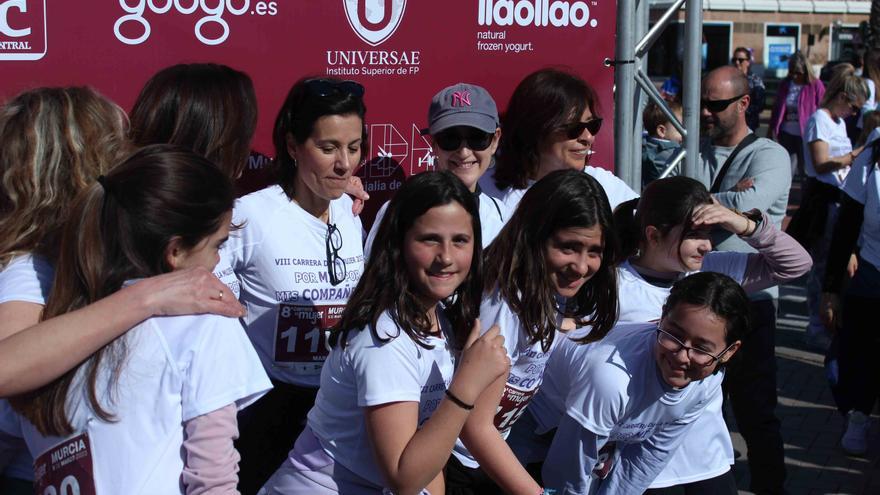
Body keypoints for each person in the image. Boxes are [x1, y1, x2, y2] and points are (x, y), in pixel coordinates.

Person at [0, 88, 243, 492]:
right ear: (81, 161)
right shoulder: (30, 268)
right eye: (117, 145)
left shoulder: (80, 262)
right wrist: (147, 298)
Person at [508, 176, 810, 493]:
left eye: (709, 233)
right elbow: (580, 368)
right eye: (694, 235)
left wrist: (743, 224)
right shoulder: (608, 283)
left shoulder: (711, 275)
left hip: (703, 455)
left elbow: (796, 265)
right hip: (640, 455)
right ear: (653, 235)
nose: (706, 244)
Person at [259, 171, 510, 494]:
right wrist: (466, 386)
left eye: (460, 240)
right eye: (429, 239)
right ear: (399, 242)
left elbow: (430, 450)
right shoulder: (383, 338)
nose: (446, 257)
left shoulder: (444, 321)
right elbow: (403, 478)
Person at [224, 76, 369, 493]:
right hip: (268, 413)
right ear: (292, 146)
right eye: (328, 148)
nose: (344, 164)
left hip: (337, 406)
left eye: (354, 147)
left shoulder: (349, 212)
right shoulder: (249, 216)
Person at [446, 169, 619, 494]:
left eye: (593, 251)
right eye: (568, 247)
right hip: (458, 463)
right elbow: (474, 426)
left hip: (485, 458)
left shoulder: (541, 289)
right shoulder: (503, 305)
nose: (582, 266)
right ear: (536, 234)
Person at [538, 272, 748, 494]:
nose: (681, 356)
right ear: (662, 316)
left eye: (701, 348)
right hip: (536, 427)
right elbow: (565, 473)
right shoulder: (610, 377)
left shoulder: (708, 380)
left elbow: (649, 456)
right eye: (674, 335)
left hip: (591, 437)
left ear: (729, 351)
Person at [685, 65, 793, 495]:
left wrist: (712, 203)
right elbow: (668, 197)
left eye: (716, 105)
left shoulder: (769, 154)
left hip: (751, 303)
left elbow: (748, 210)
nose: (706, 113)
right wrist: (724, 202)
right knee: (693, 410)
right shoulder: (693, 149)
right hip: (697, 302)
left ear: (744, 103)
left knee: (756, 414)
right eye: (702, 104)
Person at [365, 82, 504, 255]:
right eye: (450, 138)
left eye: (477, 138)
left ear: (495, 140)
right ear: (434, 143)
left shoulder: (503, 215)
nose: (464, 152)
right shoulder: (398, 210)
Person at [480, 68, 638, 217]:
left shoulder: (606, 187)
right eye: (574, 128)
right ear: (534, 131)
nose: (588, 137)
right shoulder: (484, 192)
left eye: (592, 125)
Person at [788, 65, 868, 350]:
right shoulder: (819, 120)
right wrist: (855, 155)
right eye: (853, 106)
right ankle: (816, 326)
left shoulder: (835, 122)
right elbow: (821, 162)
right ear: (843, 96)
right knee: (821, 267)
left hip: (839, 196)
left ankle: (827, 323)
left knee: (835, 264)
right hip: (824, 198)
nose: (854, 113)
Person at [821, 128, 880, 456]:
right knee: (860, 355)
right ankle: (858, 415)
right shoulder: (873, 156)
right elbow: (846, 225)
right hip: (873, 274)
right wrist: (830, 289)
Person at [769, 51, 826, 178]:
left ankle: (806, 197)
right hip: (786, 133)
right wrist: (772, 128)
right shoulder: (785, 84)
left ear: (806, 71)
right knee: (786, 171)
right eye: (791, 72)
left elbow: (823, 108)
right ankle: (784, 197)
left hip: (806, 135)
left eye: (798, 73)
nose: (794, 76)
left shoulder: (815, 85)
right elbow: (776, 108)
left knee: (805, 171)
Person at [642, 100, 683, 187]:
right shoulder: (670, 154)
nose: (685, 133)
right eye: (681, 128)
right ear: (662, 131)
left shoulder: (645, 145)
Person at [732, 47, 766, 132]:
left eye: (740, 60)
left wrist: (739, 110)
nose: (737, 62)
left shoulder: (755, 81)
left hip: (748, 125)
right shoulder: (728, 80)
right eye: (734, 59)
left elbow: (760, 105)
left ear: (748, 62)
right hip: (730, 125)